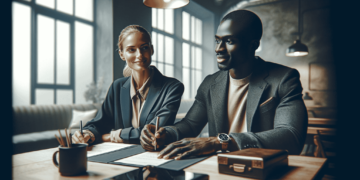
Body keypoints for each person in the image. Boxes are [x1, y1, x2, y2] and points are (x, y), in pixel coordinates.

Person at [140, 10, 308, 159]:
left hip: (264, 168)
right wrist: (164, 134)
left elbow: (291, 136)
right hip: (220, 167)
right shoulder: (210, 83)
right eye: (217, 40)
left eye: (229, 41)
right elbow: (190, 124)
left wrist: (219, 142)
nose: (218, 49)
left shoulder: (284, 78)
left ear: (253, 46)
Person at [72, 25, 184, 145]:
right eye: (131, 50)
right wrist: (87, 134)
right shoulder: (117, 87)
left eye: (144, 48)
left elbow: (153, 132)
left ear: (151, 50)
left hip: (156, 155)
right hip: (118, 157)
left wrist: (110, 136)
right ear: (121, 54)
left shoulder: (173, 87)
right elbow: (100, 122)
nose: (139, 55)